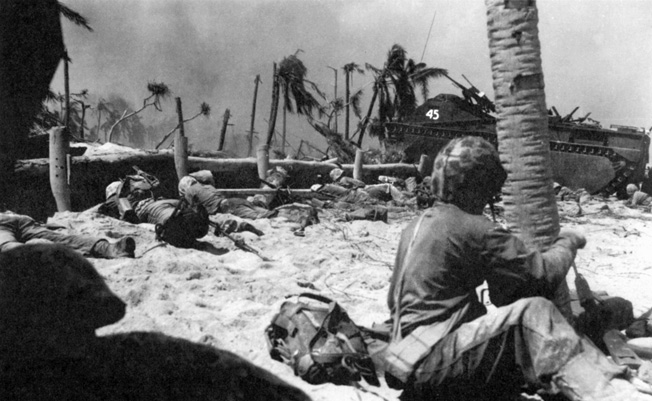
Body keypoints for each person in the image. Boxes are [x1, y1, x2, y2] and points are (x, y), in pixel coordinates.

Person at [384, 136, 650, 400]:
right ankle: (612, 393)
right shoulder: (475, 228)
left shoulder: (416, 227)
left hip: (406, 360)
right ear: (481, 184)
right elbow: (540, 276)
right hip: (435, 364)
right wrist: (567, 242)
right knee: (536, 312)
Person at [0, 211, 135, 259]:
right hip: (12, 221)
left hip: (16, 220)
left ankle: (110, 249)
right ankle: (109, 249)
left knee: (62, 239)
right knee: (10, 247)